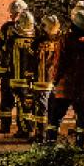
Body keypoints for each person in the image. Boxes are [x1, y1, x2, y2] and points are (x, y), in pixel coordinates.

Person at [47, 9, 84, 148]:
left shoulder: (65, 40)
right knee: (82, 116)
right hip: (82, 85)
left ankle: (50, 142)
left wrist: (55, 81)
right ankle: (79, 144)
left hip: (66, 84)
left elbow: (59, 62)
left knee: (56, 115)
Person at [0, 0, 28, 134]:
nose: (12, 16)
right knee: (8, 100)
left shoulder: (30, 29)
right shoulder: (7, 28)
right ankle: (6, 126)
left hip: (19, 72)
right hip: (11, 71)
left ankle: (22, 128)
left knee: (22, 102)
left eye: (14, 14)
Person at [29, 14, 62, 143]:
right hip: (55, 81)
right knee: (53, 109)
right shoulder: (61, 41)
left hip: (41, 81)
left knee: (41, 110)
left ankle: (40, 136)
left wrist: (29, 77)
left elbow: (31, 61)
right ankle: (52, 135)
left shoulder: (38, 42)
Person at [7, 10, 36, 139]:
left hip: (18, 79)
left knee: (21, 105)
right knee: (30, 104)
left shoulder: (13, 39)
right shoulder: (36, 39)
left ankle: (25, 129)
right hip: (34, 79)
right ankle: (30, 128)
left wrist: (1, 71)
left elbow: (5, 58)